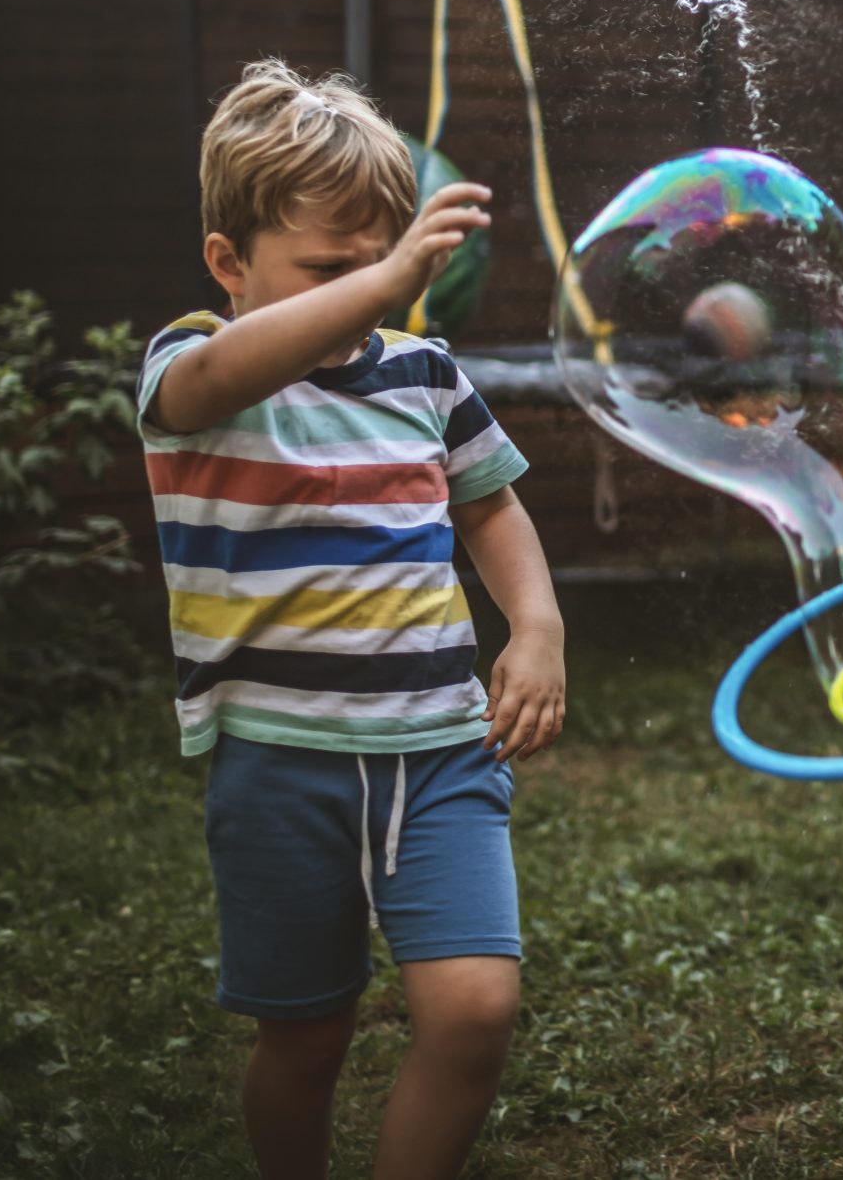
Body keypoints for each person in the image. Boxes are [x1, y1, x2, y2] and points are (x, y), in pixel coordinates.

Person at [139, 61, 567, 1180]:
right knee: (308, 1033)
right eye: (330, 268)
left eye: (377, 264)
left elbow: (493, 508)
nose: (369, 291)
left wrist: (536, 625)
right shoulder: (195, 368)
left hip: (437, 750)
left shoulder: (424, 374)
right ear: (229, 264)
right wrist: (378, 283)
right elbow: (222, 374)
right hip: (281, 765)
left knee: (474, 1012)